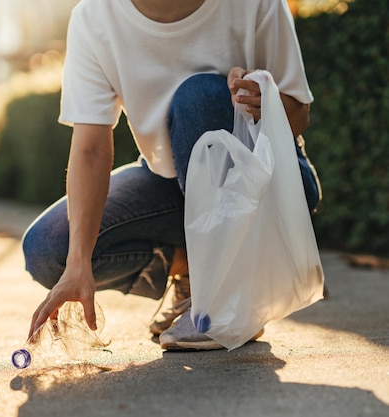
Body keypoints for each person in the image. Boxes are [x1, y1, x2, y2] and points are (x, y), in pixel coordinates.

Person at [21, 0, 322, 351]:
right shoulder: (94, 17)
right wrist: (77, 264)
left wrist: (262, 102)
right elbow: (90, 148)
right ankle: (194, 273)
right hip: (168, 185)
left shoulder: (256, 4)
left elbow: (300, 115)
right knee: (49, 250)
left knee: (197, 97)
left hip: (268, 186)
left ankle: (224, 296)